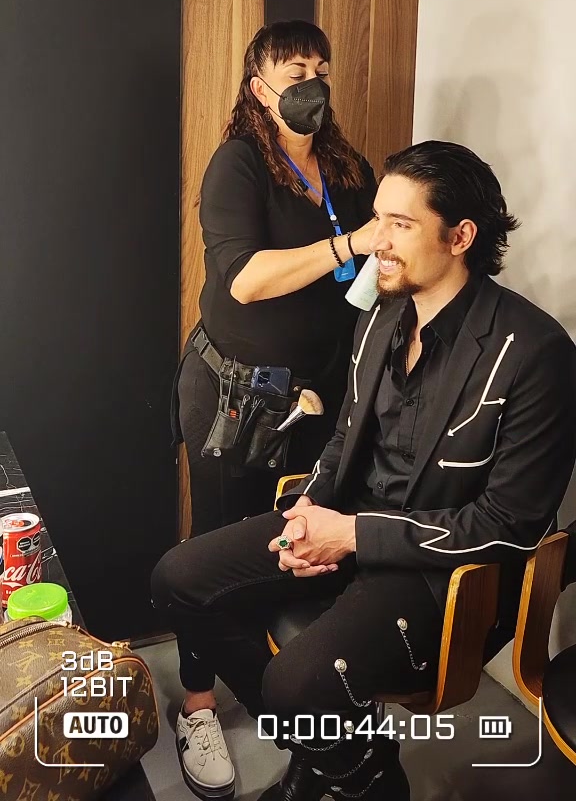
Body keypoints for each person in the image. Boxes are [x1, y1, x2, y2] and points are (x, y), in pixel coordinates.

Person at [154, 140, 576, 801]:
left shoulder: (536, 353)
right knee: (177, 579)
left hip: (440, 576)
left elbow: (510, 525)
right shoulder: (382, 312)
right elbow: (345, 437)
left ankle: (359, 774)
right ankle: (344, 755)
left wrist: (351, 536)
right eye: (379, 219)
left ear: (460, 236)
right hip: (347, 522)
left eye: (400, 224)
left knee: (294, 686)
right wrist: (308, 512)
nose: (378, 240)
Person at [173, 19, 377, 535]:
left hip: (320, 393)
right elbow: (245, 279)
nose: (314, 85)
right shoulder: (239, 163)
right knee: (224, 541)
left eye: (321, 73)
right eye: (296, 73)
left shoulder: (349, 168)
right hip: (236, 395)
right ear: (261, 91)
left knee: (299, 533)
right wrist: (349, 244)